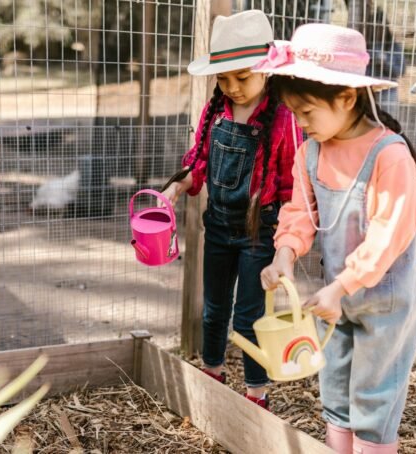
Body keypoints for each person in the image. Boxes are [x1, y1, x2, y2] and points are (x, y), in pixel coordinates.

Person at [255, 24, 416, 453]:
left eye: (308, 112)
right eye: (294, 113)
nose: (300, 123)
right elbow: (299, 213)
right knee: (335, 388)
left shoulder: (389, 155)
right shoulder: (310, 152)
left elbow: (386, 239)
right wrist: (284, 255)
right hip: (337, 298)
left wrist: (341, 286)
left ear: (347, 98)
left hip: (387, 300)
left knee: (375, 395)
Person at [161, 10, 301, 410]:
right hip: (218, 227)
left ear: (266, 71)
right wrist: (179, 185)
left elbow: (292, 187)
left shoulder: (283, 119)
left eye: (243, 77)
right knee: (213, 310)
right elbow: (200, 162)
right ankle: (212, 373)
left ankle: (257, 395)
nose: (233, 87)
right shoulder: (217, 110)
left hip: (261, 233)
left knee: (249, 319)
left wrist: (286, 246)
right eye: (224, 78)